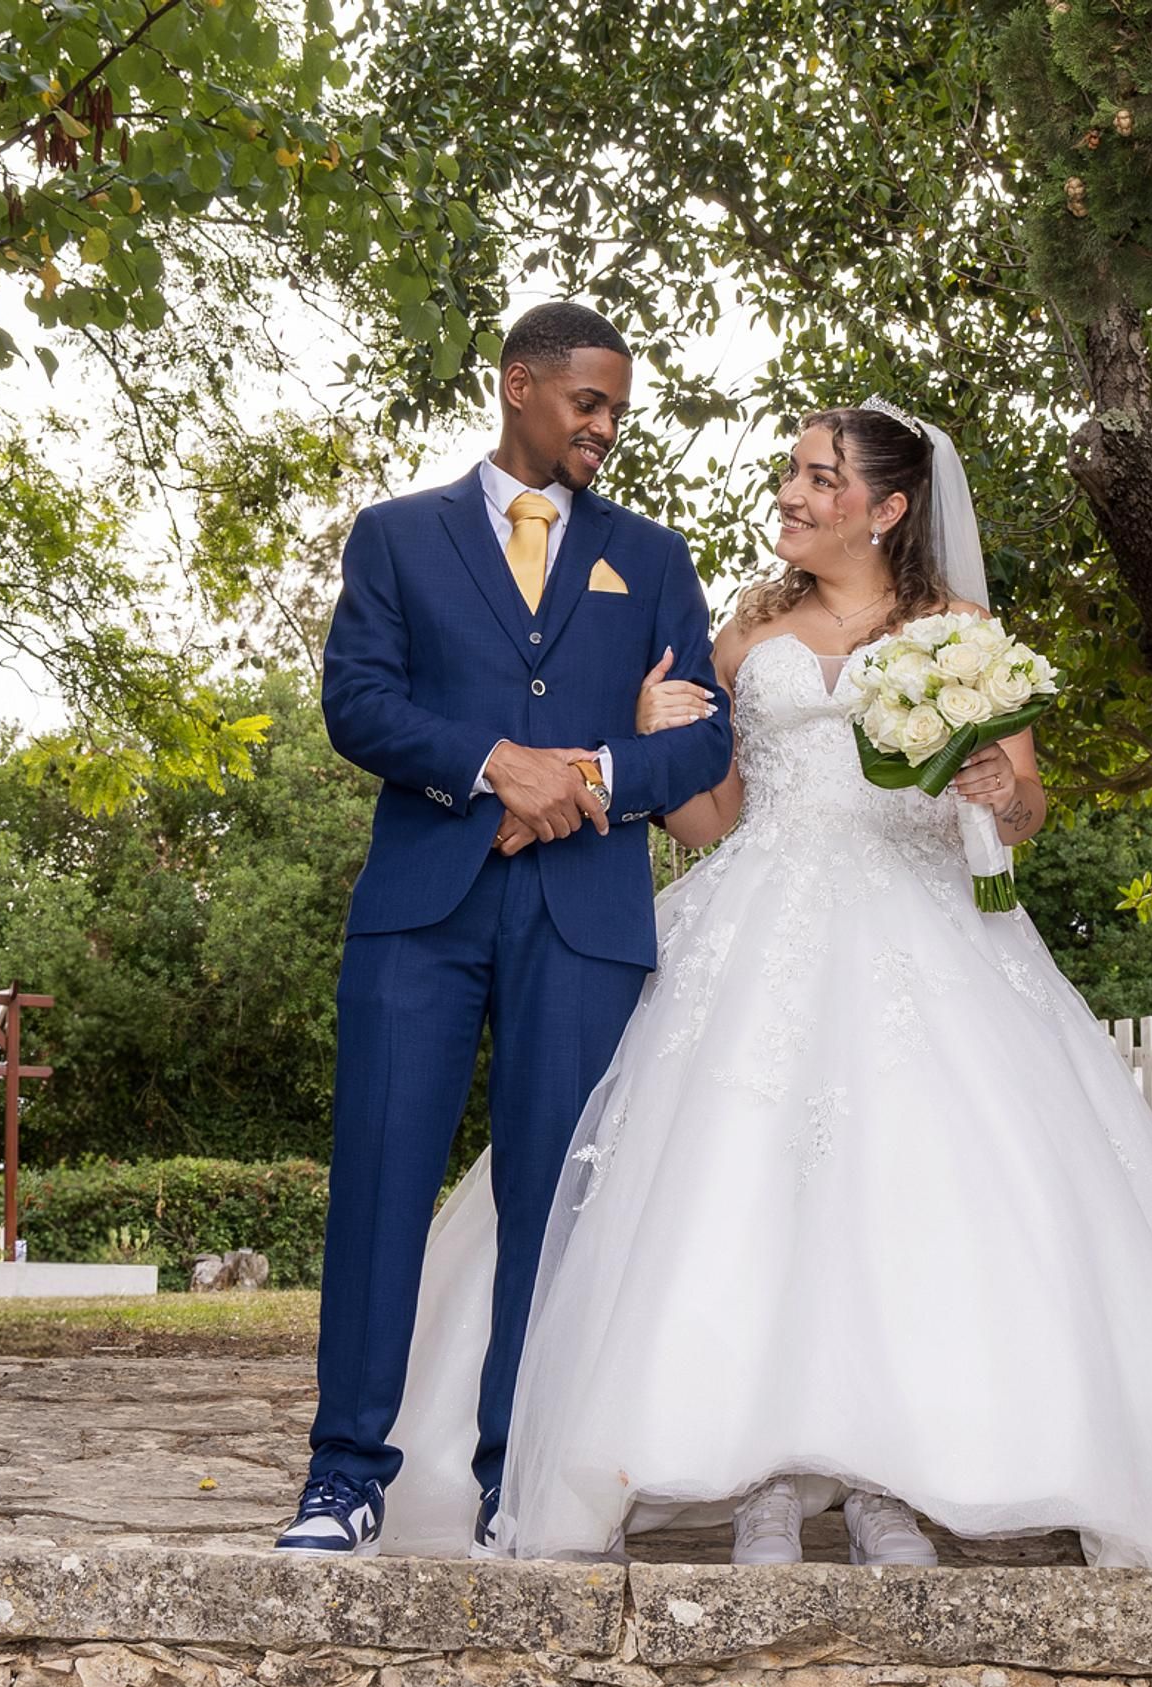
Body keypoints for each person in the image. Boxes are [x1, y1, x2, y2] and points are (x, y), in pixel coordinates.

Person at [371, 399, 1152, 1571]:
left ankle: (889, 1482)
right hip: (758, 920)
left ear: (884, 508)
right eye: (792, 471)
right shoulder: (740, 637)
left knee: (911, 1198)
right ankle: (764, 1481)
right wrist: (643, 733)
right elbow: (712, 816)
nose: (791, 492)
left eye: (819, 477)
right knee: (739, 1195)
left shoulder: (961, 631)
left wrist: (993, 784)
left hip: (920, 932)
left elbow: (1022, 812)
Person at [276, 303, 733, 1556]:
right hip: (419, 911)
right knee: (378, 1184)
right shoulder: (397, 538)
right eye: (588, 404)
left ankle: (508, 1484)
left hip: (583, 918)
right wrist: (487, 764)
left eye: (616, 412)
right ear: (519, 386)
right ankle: (343, 1478)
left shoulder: (651, 558)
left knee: (556, 1204)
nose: (605, 429)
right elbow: (356, 703)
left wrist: (584, 774)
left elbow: (699, 740)